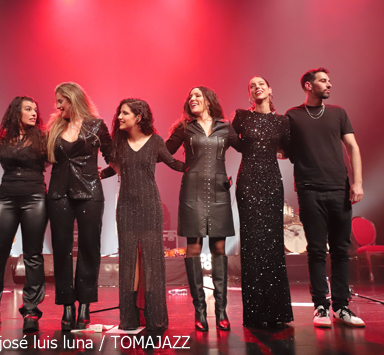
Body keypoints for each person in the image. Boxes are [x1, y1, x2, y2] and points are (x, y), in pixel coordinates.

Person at [286, 68, 365, 328]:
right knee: (317, 250)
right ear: (308, 86)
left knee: (341, 250)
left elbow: (352, 147)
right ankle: (321, 306)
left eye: (329, 80)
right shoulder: (293, 116)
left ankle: (341, 307)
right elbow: (283, 150)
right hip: (309, 189)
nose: (329, 84)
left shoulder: (338, 113)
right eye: (323, 81)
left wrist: (357, 182)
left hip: (339, 189)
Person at [101, 99, 186, 331]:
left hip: (150, 206)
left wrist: (197, 167)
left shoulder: (156, 141)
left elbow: (174, 163)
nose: (119, 117)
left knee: (153, 262)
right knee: (128, 262)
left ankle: (156, 319)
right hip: (125, 208)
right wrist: (95, 175)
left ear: (138, 117)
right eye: (119, 113)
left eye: (124, 113)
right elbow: (114, 168)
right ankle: (128, 319)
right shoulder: (119, 143)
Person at [166, 86, 240, 332]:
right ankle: (199, 312)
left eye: (198, 95)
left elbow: (246, 148)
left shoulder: (225, 127)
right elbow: (162, 151)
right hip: (192, 192)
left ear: (209, 101)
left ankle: (221, 311)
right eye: (190, 96)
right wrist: (182, 167)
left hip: (219, 192)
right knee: (194, 247)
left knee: (219, 248)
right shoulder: (185, 128)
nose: (192, 98)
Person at [0, 96, 48, 333]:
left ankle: (31, 311)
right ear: (17, 112)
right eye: (28, 109)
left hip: (35, 196)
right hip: (6, 197)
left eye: (35, 109)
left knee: (33, 255)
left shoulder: (43, 137)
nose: (34, 113)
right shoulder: (1, 137)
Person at [47, 82, 112, 330]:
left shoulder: (96, 125)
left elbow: (114, 157)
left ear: (72, 99)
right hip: (59, 193)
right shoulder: (54, 127)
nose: (57, 106)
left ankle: (84, 305)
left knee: (89, 248)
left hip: (90, 191)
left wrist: (101, 175)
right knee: (61, 249)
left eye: (60, 101)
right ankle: (67, 306)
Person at [232, 77, 293, 328]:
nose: (257, 87)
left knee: (273, 244)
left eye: (261, 84)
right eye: (252, 85)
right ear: (250, 94)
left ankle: (277, 311)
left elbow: (290, 150)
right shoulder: (241, 117)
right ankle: (255, 313)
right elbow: (232, 142)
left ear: (270, 90)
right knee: (252, 244)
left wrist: (273, 151)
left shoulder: (282, 121)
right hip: (248, 183)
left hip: (272, 184)